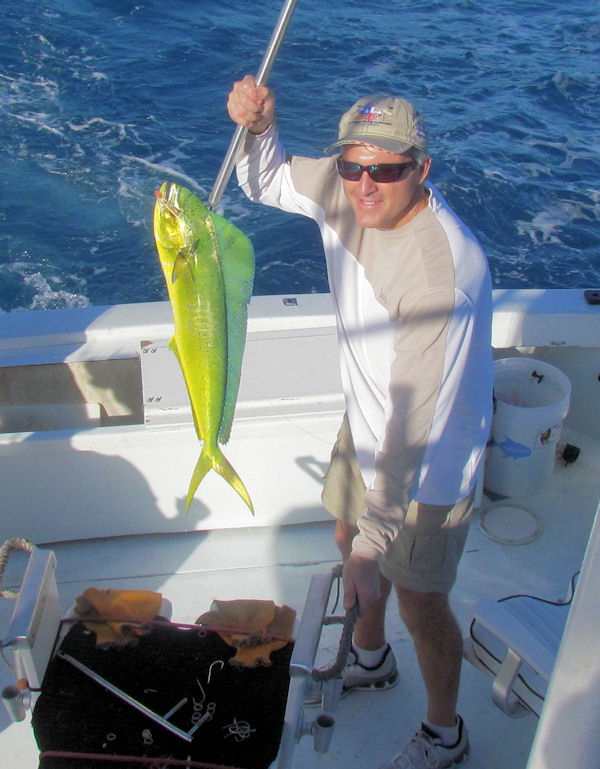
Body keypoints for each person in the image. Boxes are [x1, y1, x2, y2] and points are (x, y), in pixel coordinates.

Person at [227, 75, 493, 769]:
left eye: (386, 171)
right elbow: (265, 180)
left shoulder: (441, 278)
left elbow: (418, 422)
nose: (364, 186)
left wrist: (378, 542)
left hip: (427, 463)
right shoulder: (345, 189)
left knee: (419, 603)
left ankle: (444, 732)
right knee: (348, 538)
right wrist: (259, 129)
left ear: (422, 170)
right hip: (368, 421)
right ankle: (371, 661)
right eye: (352, 166)